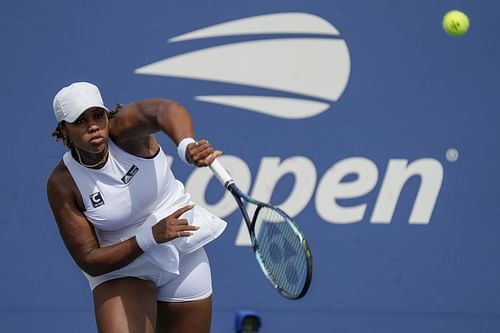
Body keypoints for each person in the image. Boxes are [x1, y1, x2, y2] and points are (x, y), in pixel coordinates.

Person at [46, 81, 227, 333]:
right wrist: (149, 237)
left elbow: (164, 110)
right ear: (63, 131)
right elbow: (89, 259)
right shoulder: (63, 183)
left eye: (98, 115)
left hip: (181, 251)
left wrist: (186, 144)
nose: (93, 126)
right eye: (80, 121)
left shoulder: (125, 132)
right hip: (122, 267)